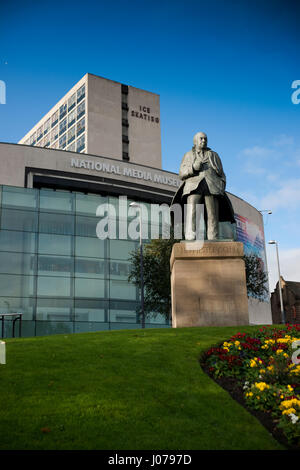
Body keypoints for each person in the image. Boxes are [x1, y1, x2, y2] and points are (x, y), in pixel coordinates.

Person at [172, 132, 235, 240]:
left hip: (212, 186)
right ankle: (190, 238)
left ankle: (213, 238)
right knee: (192, 212)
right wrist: (193, 168)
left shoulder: (213, 155)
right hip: (193, 186)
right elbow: (181, 173)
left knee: (213, 215)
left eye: (205, 139)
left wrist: (221, 186)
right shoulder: (188, 155)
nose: (204, 141)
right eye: (201, 139)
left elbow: (222, 174)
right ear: (195, 141)